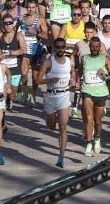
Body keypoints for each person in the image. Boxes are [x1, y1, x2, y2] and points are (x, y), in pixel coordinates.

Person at [35, 37, 75, 168]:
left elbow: (73, 74)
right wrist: (50, 81)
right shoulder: (49, 62)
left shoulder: (69, 61)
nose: (60, 49)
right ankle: (52, 119)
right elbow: (38, 80)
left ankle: (61, 157)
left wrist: (74, 80)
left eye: (62, 47)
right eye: (57, 47)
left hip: (64, 96)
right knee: (52, 126)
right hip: (51, 97)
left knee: (63, 127)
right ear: (54, 48)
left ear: (65, 48)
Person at [79, 35, 110, 158]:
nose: (95, 49)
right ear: (89, 47)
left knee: (97, 120)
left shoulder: (105, 59)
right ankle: (89, 143)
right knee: (89, 117)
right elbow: (79, 71)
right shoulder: (85, 58)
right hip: (87, 90)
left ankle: (97, 138)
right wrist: (76, 80)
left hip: (101, 92)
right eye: (93, 47)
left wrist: (105, 76)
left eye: (97, 47)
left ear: (100, 47)